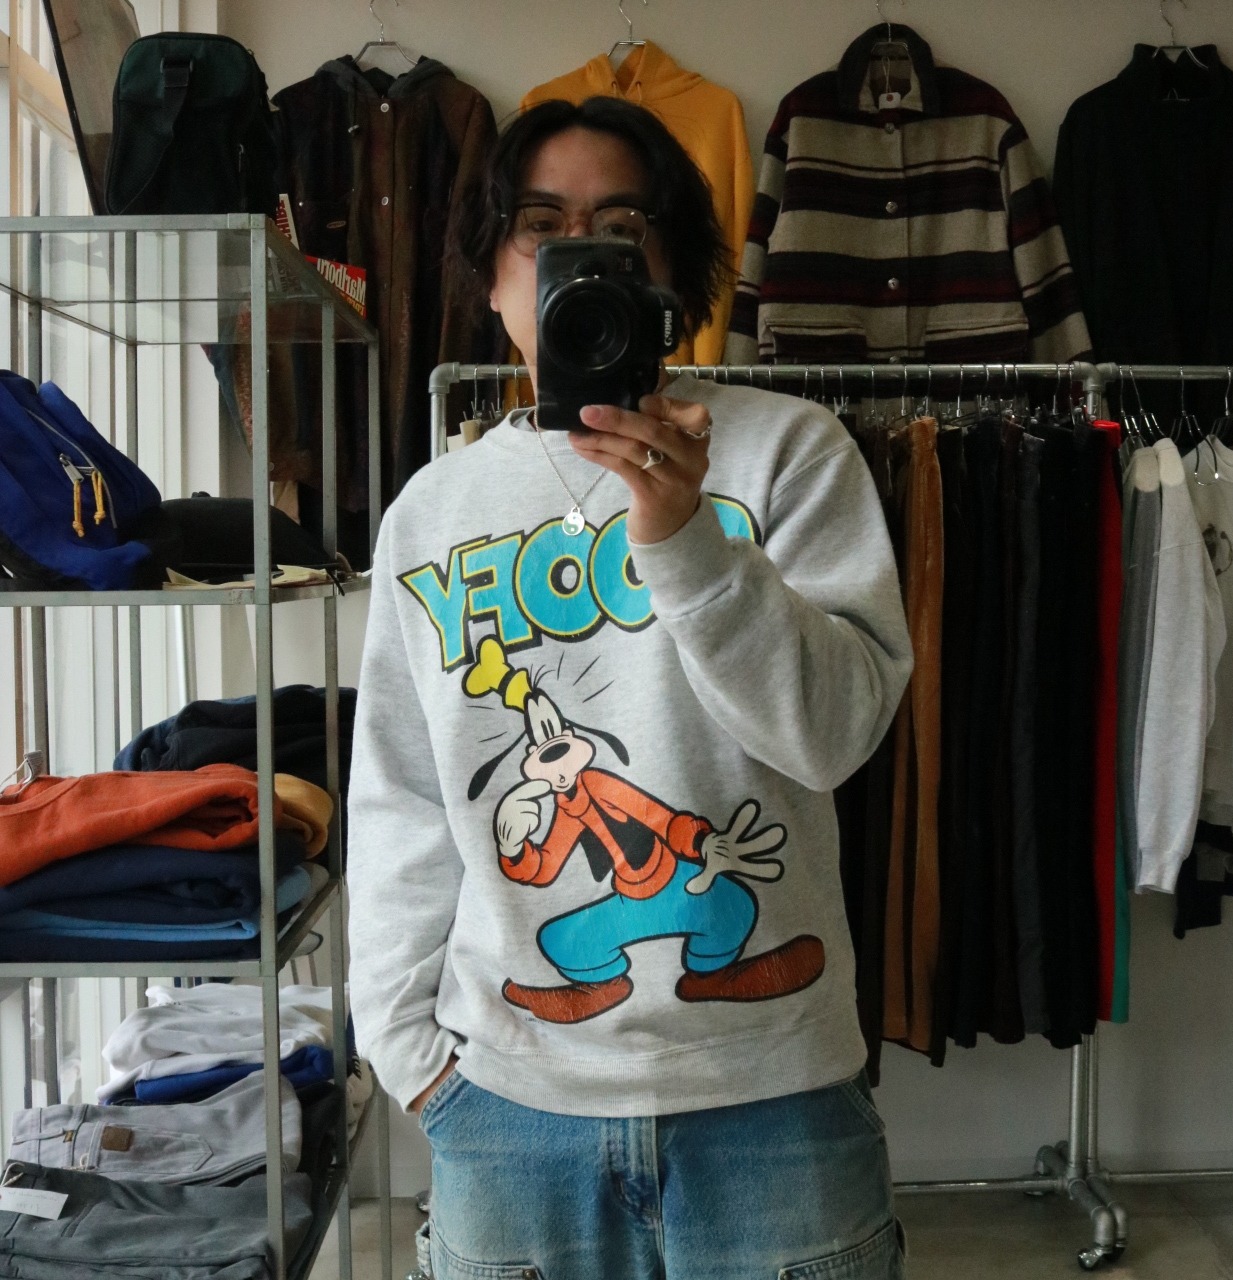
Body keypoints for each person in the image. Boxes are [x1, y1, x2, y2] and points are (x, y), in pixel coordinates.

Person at [347, 95, 914, 1280]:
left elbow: (832, 736)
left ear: (668, 271)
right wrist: (408, 1054)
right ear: (493, 275)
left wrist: (687, 541)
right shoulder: (429, 513)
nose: (576, 257)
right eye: (540, 226)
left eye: (616, 229)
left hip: (773, 1096)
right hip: (506, 1108)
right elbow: (401, 802)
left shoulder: (790, 453)